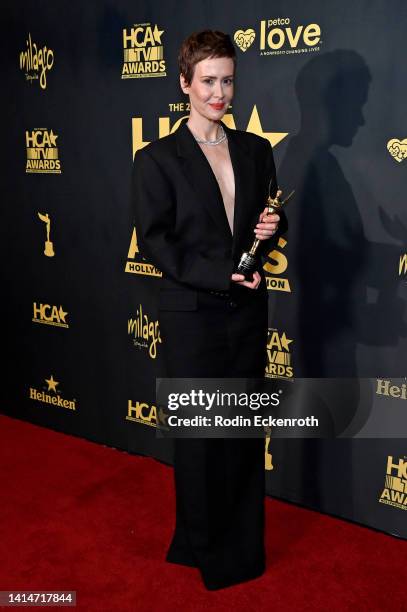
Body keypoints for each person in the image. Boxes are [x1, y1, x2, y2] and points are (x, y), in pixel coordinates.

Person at [131, 30, 287, 590]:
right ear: (184, 84)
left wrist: (271, 231)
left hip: (246, 309)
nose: (219, 93)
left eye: (227, 81)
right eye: (208, 81)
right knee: (200, 435)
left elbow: (267, 224)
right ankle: (206, 547)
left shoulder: (254, 149)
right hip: (191, 312)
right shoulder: (156, 159)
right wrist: (219, 272)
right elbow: (156, 241)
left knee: (241, 431)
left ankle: (239, 545)